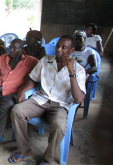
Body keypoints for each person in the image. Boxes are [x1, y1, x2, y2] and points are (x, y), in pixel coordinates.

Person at [8, 35, 86, 165]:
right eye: (57, 46)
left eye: (63, 47)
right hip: (41, 99)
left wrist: (71, 72)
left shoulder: (79, 70)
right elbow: (33, 80)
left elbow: (78, 99)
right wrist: (22, 91)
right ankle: (24, 149)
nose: (58, 49)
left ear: (72, 50)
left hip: (60, 105)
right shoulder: (45, 60)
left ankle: (47, 158)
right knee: (17, 111)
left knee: (60, 125)